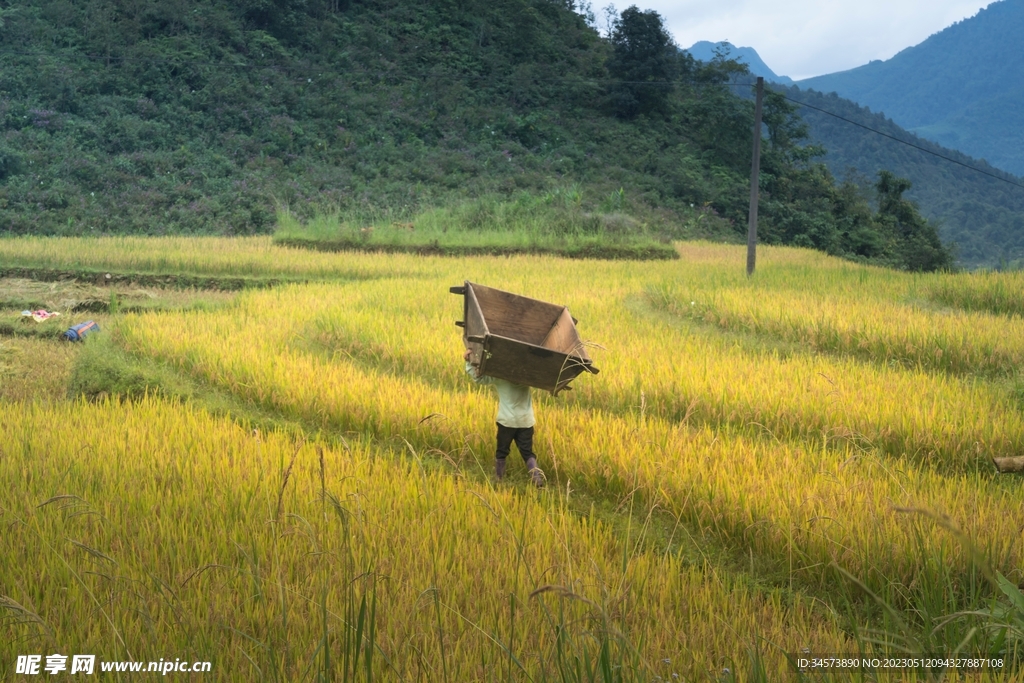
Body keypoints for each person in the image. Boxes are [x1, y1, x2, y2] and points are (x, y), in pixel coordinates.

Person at [464, 348, 545, 487]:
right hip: (526, 422)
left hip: (506, 422)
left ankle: (498, 479)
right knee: (527, 452)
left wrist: (468, 362)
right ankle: (537, 478)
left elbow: (479, 378)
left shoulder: (500, 377)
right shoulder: (526, 377)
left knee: (501, 452)